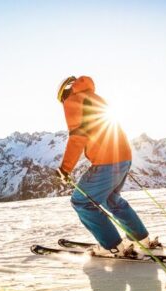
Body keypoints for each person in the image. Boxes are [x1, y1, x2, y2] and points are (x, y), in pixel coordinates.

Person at [55, 75, 150, 256]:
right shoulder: (96, 98)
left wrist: (64, 169)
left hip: (107, 160)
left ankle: (111, 245)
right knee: (111, 199)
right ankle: (140, 238)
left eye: (61, 100)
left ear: (65, 93)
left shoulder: (72, 101)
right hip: (122, 155)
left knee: (81, 201)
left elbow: (77, 137)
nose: (62, 104)